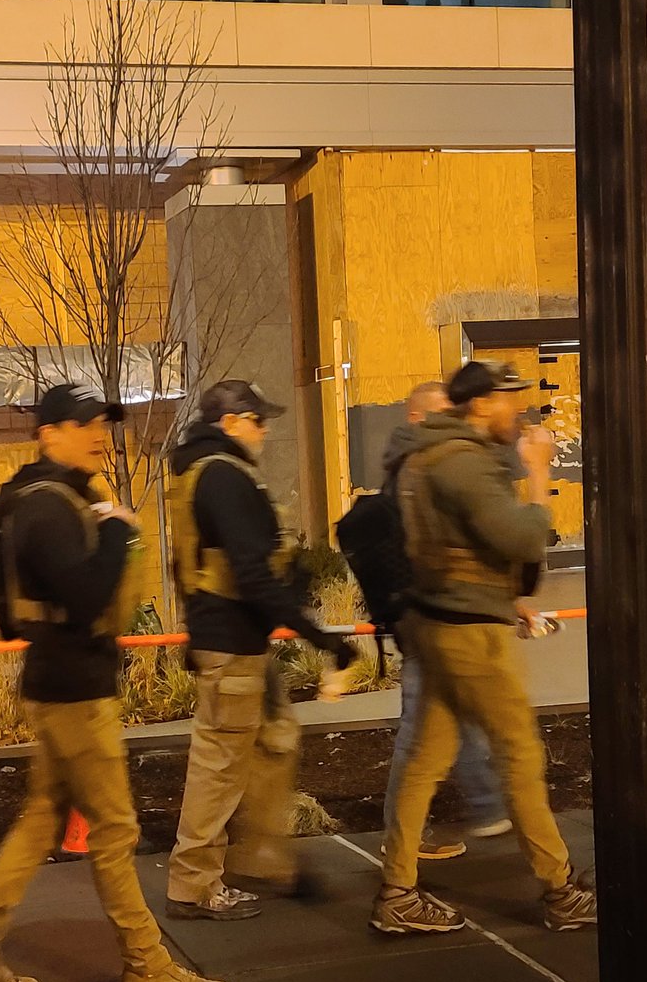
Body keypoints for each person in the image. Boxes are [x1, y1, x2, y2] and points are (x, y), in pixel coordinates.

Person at [0, 382, 233, 982]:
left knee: (41, 819)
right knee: (115, 831)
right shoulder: (50, 508)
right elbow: (88, 597)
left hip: (53, 680)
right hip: (76, 690)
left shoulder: (31, 503)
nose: (100, 434)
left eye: (103, 423)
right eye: (85, 424)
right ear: (49, 434)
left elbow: (10, 615)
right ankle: (148, 968)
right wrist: (120, 532)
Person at [371, 362, 597, 935]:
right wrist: (539, 472)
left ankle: (397, 892)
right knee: (519, 754)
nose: (518, 411)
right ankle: (560, 890)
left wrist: (501, 596)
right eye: (509, 399)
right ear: (480, 403)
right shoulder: (464, 462)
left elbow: (458, 546)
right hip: (470, 636)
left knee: (425, 759)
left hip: (438, 620)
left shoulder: (425, 456)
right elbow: (523, 537)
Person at [166, 380, 356, 920]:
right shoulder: (222, 476)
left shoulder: (204, 473)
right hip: (232, 643)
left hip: (234, 641)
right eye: (257, 420)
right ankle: (193, 884)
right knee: (219, 768)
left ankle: (258, 859)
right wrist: (321, 637)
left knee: (270, 745)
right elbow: (250, 573)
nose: (265, 430)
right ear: (229, 423)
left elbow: (200, 565)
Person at [382, 381, 512, 862]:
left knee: (450, 718)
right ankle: (405, 841)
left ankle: (485, 804)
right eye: (442, 412)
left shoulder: (416, 464)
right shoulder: (416, 468)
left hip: (433, 612)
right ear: (418, 418)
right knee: (420, 728)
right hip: (427, 614)